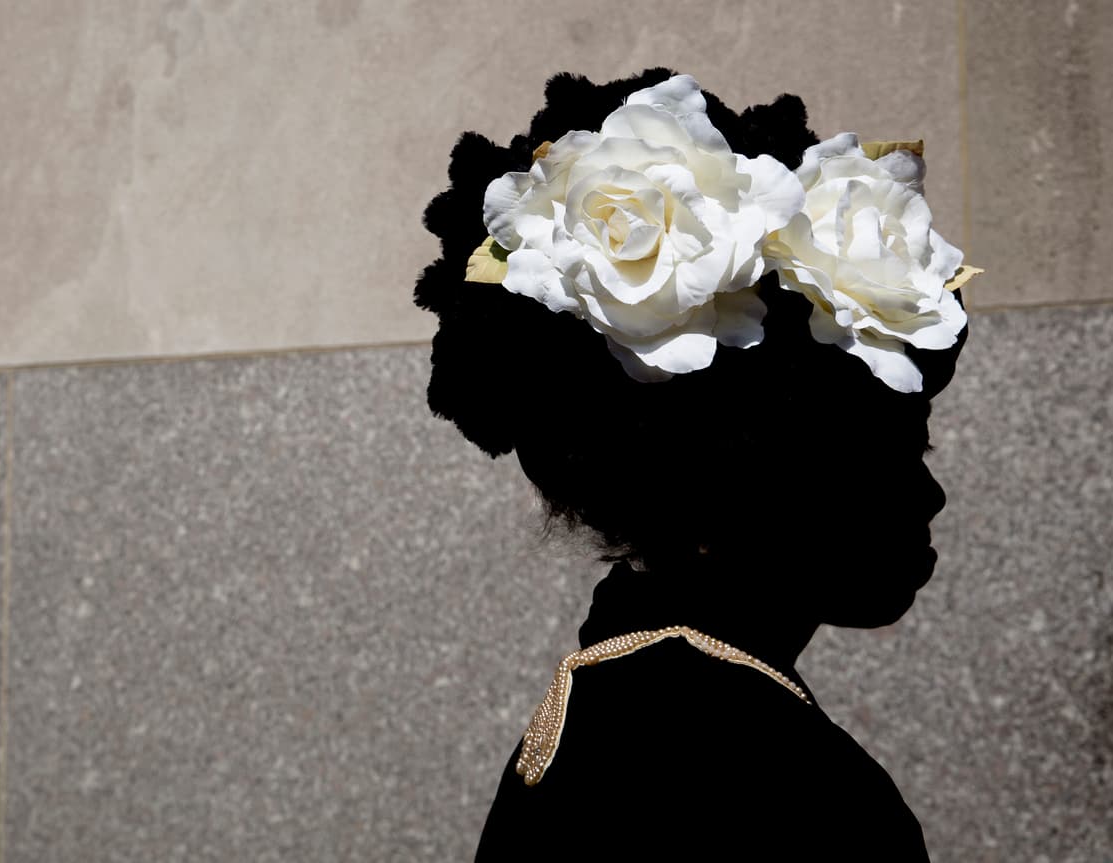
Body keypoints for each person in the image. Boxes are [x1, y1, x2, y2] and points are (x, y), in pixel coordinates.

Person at [414, 68, 970, 860]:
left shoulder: (628, 699)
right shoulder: (767, 780)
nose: (930, 491)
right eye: (877, 457)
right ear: (723, 497)